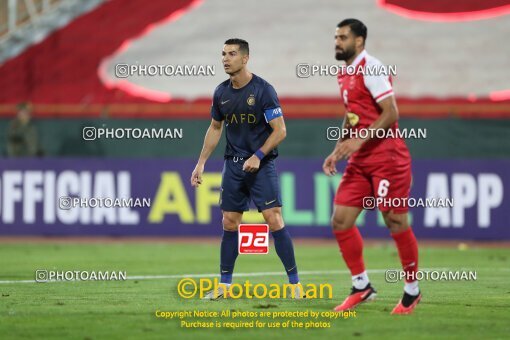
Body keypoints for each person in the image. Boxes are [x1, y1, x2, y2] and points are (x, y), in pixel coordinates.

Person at [323, 19, 421, 314]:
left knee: (394, 221)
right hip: (360, 160)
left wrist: (358, 141)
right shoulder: (344, 73)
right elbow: (352, 114)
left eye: (343, 37)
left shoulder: (372, 67)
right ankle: (361, 286)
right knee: (340, 220)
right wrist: (339, 148)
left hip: (387, 157)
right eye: (336, 37)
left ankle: (412, 291)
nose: (337, 42)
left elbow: (391, 113)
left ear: (360, 41)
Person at [191, 39, 301, 299]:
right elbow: (216, 128)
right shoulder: (221, 93)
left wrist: (258, 155)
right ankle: (224, 286)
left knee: (273, 218)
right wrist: (201, 162)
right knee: (229, 222)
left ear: (245, 58)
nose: (225, 59)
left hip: (261, 164)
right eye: (223, 54)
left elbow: (280, 130)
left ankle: (295, 284)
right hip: (234, 165)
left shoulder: (264, 90)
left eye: (231, 54)